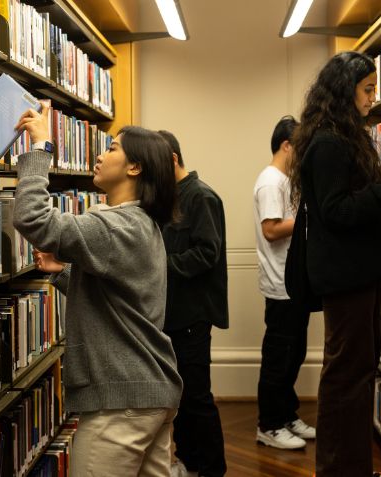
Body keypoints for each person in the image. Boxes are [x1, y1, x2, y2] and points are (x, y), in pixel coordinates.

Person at [12, 105, 184, 476]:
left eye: (112, 148)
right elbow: (125, 298)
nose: (99, 155)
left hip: (121, 402)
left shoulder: (117, 225)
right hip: (148, 392)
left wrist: (41, 147)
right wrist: (66, 274)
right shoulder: (141, 224)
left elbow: (32, 218)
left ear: (134, 167)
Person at [288, 52, 381, 476]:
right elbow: (338, 212)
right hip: (345, 276)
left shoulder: (340, 137)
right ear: (345, 91)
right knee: (346, 376)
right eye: (367, 90)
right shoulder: (328, 143)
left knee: (354, 373)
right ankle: (339, 469)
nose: (372, 99)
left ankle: (351, 467)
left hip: (355, 273)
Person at [158, 130, 228, 477]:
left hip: (192, 314)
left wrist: (158, 266)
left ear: (172, 159)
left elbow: (206, 253)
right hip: (172, 313)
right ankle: (188, 461)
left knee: (197, 396)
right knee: (181, 397)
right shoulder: (168, 197)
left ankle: (212, 468)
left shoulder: (201, 197)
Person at [253, 115, 316, 450]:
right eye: (301, 145)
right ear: (286, 145)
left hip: (294, 283)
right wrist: (309, 218)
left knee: (295, 354)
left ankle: (287, 415)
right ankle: (269, 424)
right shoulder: (271, 181)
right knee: (279, 358)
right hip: (280, 285)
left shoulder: (286, 180)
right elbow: (271, 229)